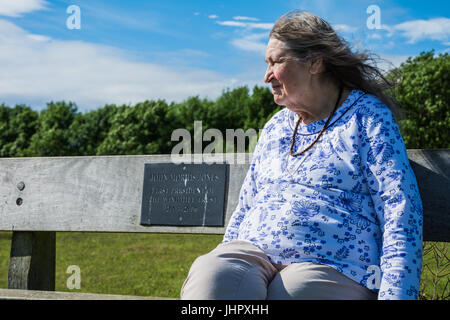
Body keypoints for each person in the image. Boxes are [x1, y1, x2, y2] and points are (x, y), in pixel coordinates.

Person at [180, 10, 423, 300]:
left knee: (292, 293)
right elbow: (246, 205)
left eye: (276, 62)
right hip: (256, 254)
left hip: (333, 265)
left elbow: (399, 209)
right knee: (213, 276)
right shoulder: (275, 126)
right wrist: (228, 251)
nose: (266, 75)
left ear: (314, 62)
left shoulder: (367, 117)